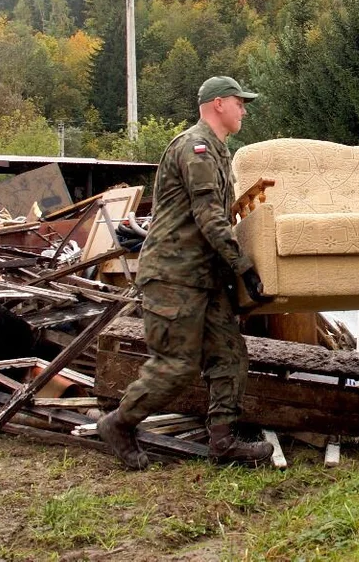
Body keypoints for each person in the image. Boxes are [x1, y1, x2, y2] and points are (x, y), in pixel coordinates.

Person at [97, 75, 274, 469]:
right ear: (218, 105)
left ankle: (223, 442)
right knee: (177, 365)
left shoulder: (217, 151)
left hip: (203, 277)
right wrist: (242, 266)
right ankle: (119, 423)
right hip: (174, 276)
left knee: (230, 354)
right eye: (239, 102)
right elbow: (210, 218)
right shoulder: (195, 149)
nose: (244, 109)